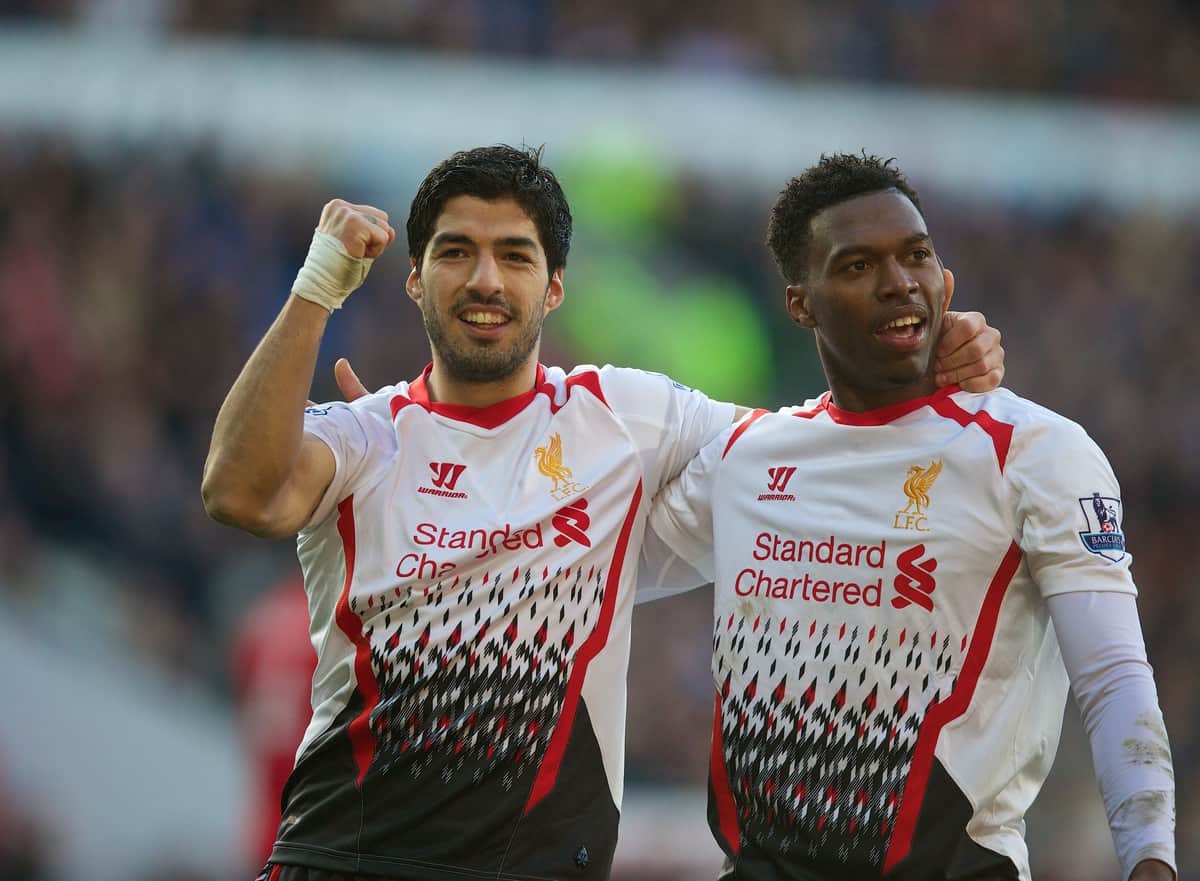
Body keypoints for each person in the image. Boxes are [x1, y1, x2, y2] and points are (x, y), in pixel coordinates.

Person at [201, 145, 1005, 881]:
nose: (485, 279)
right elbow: (237, 491)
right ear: (416, 279)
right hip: (348, 860)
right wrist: (316, 288)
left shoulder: (623, 415)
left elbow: (808, 446)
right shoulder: (363, 436)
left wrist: (918, 352)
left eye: (514, 256)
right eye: (456, 252)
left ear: (553, 286)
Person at [647, 153, 1176, 881]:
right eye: (858, 265)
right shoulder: (747, 461)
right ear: (800, 303)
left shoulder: (1035, 452)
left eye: (916, 256)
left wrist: (1151, 856)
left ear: (945, 282)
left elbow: (1114, 674)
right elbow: (596, 572)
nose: (898, 281)